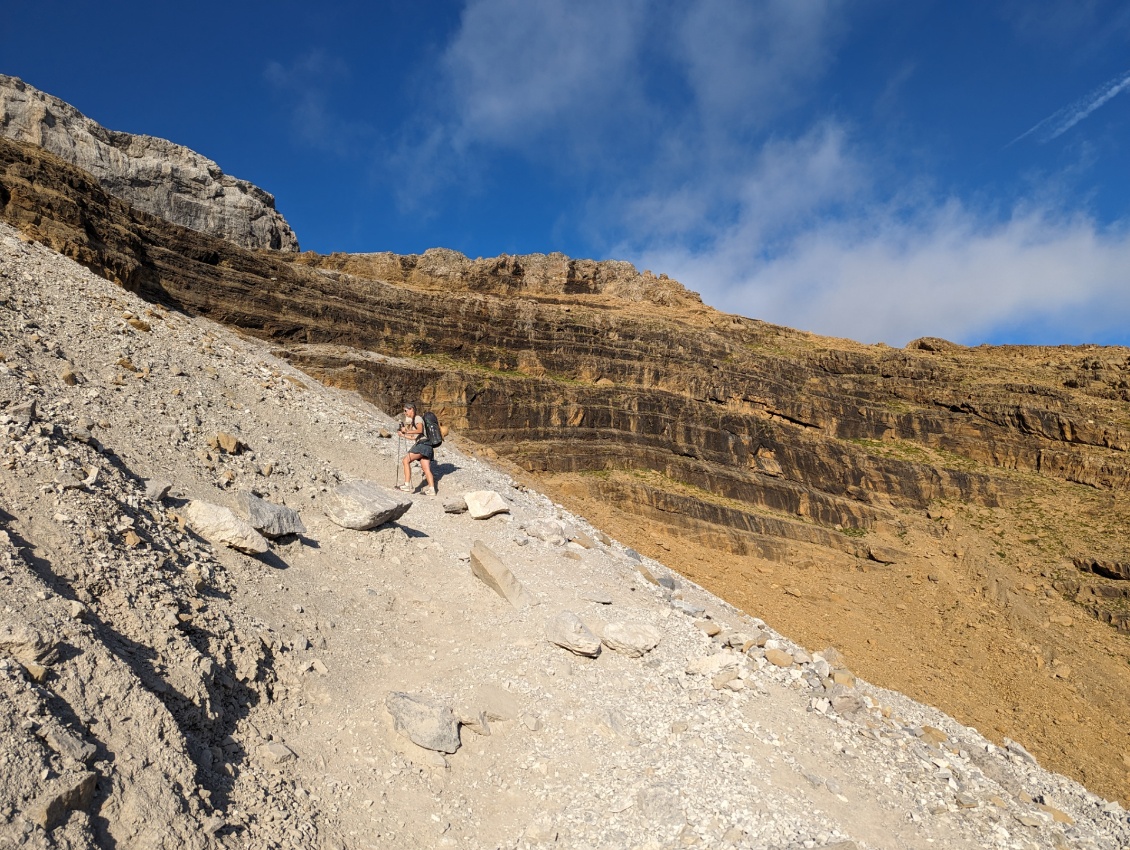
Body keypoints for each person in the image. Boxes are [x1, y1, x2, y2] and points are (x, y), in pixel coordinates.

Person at [397, 402, 436, 495]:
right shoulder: (415, 420)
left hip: (422, 446)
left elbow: (420, 430)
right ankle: (432, 490)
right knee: (426, 468)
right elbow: (415, 437)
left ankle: (406, 485)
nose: (405, 413)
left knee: (405, 460)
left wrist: (407, 431)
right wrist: (404, 435)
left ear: (411, 409)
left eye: (405, 410)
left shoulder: (417, 418)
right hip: (428, 446)